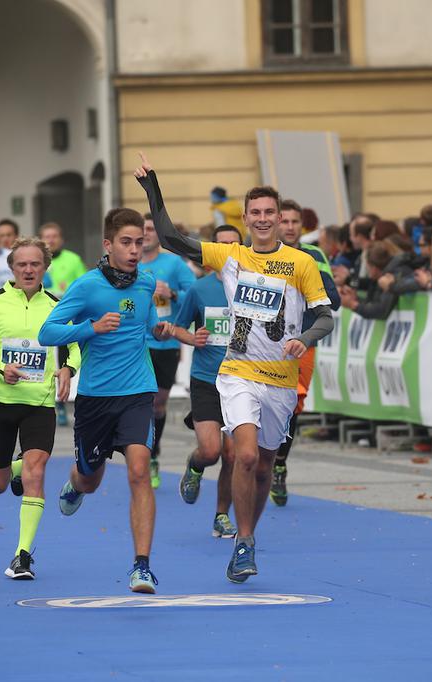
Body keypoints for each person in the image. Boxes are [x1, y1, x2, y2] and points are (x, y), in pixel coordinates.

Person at [135, 153, 334, 584]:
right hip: (237, 374)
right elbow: (169, 237)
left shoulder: (301, 264)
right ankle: (243, 542)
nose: (263, 219)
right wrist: (153, 188)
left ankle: (249, 534)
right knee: (242, 455)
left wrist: (305, 338)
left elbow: (325, 317)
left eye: (270, 213)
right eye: (255, 213)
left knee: (263, 466)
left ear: (281, 219)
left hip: (281, 380)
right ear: (244, 218)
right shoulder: (229, 256)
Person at [38, 207, 170, 594]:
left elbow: (145, 327)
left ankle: (142, 567)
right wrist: (90, 328)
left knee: (139, 471)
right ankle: (75, 484)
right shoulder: (87, 286)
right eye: (126, 243)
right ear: (108, 245)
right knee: (90, 478)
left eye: (139, 243)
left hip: (137, 392)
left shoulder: (146, 283)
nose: (133, 250)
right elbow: (47, 332)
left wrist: (162, 331)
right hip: (96, 397)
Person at [0, 237, 81, 580]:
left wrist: (67, 369)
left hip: (39, 404)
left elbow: (75, 349)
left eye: (36, 264)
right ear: (11, 269)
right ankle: (13, 469)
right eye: (22, 265)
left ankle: (22, 556)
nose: (29, 270)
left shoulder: (57, 306)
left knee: (37, 471)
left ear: (45, 268)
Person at [170, 225, 243, 538]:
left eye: (233, 245)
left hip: (241, 381)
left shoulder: (253, 287)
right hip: (206, 379)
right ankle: (195, 465)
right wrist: (193, 337)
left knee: (232, 455)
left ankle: (221, 515)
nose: (227, 250)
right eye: (221, 245)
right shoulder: (199, 289)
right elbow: (177, 328)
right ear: (212, 250)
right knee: (212, 451)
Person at [271, 199, 341, 506]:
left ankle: (279, 463)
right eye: (283, 221)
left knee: (292, 405)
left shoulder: (314, 255)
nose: (289, 227)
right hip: (266, 343)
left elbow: (333, 299)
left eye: (294, 222)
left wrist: (306, 288)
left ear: (302, 226)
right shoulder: (259, 253)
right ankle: (261, 461)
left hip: (302, 342)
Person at [139, 212, 198, 488]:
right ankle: (139, 452)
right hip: (135, 342)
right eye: (143, 229)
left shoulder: (173, 264)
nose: (147, 233)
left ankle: (152, 453)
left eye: (151, 229)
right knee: (137, 401)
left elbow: (197, 295)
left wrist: (173, 294)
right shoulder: (127, 263)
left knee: (157, 403)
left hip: (165, 341)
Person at [39, 222, 87, 427]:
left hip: (67, 321)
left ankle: (61, 402)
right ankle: (46, 401)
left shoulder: (73, 260)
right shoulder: (37, 261)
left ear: (61, 239)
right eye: (46, 237)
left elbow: (84, 286)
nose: (50, 240)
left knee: (66, 362)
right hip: (42, 320)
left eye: (54, 236)